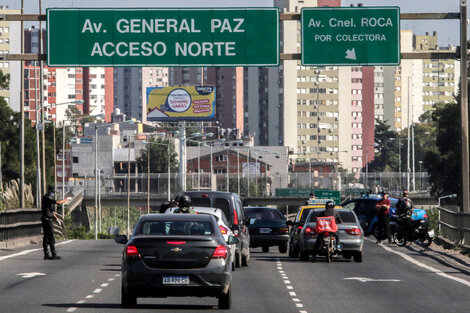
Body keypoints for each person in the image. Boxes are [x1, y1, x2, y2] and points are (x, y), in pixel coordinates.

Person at [41, 185, 69, 260]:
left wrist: (57, 219)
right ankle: (53, 253)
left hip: (47, 219)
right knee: (50, 237)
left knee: (46, 237)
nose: (53, 193)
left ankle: (47, 254)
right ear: (49, 191)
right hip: (46, 220)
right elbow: (59, 203)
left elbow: (51, 211)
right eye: (52, 192)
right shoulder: (46, 198)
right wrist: (66, 200)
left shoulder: (47, 199)